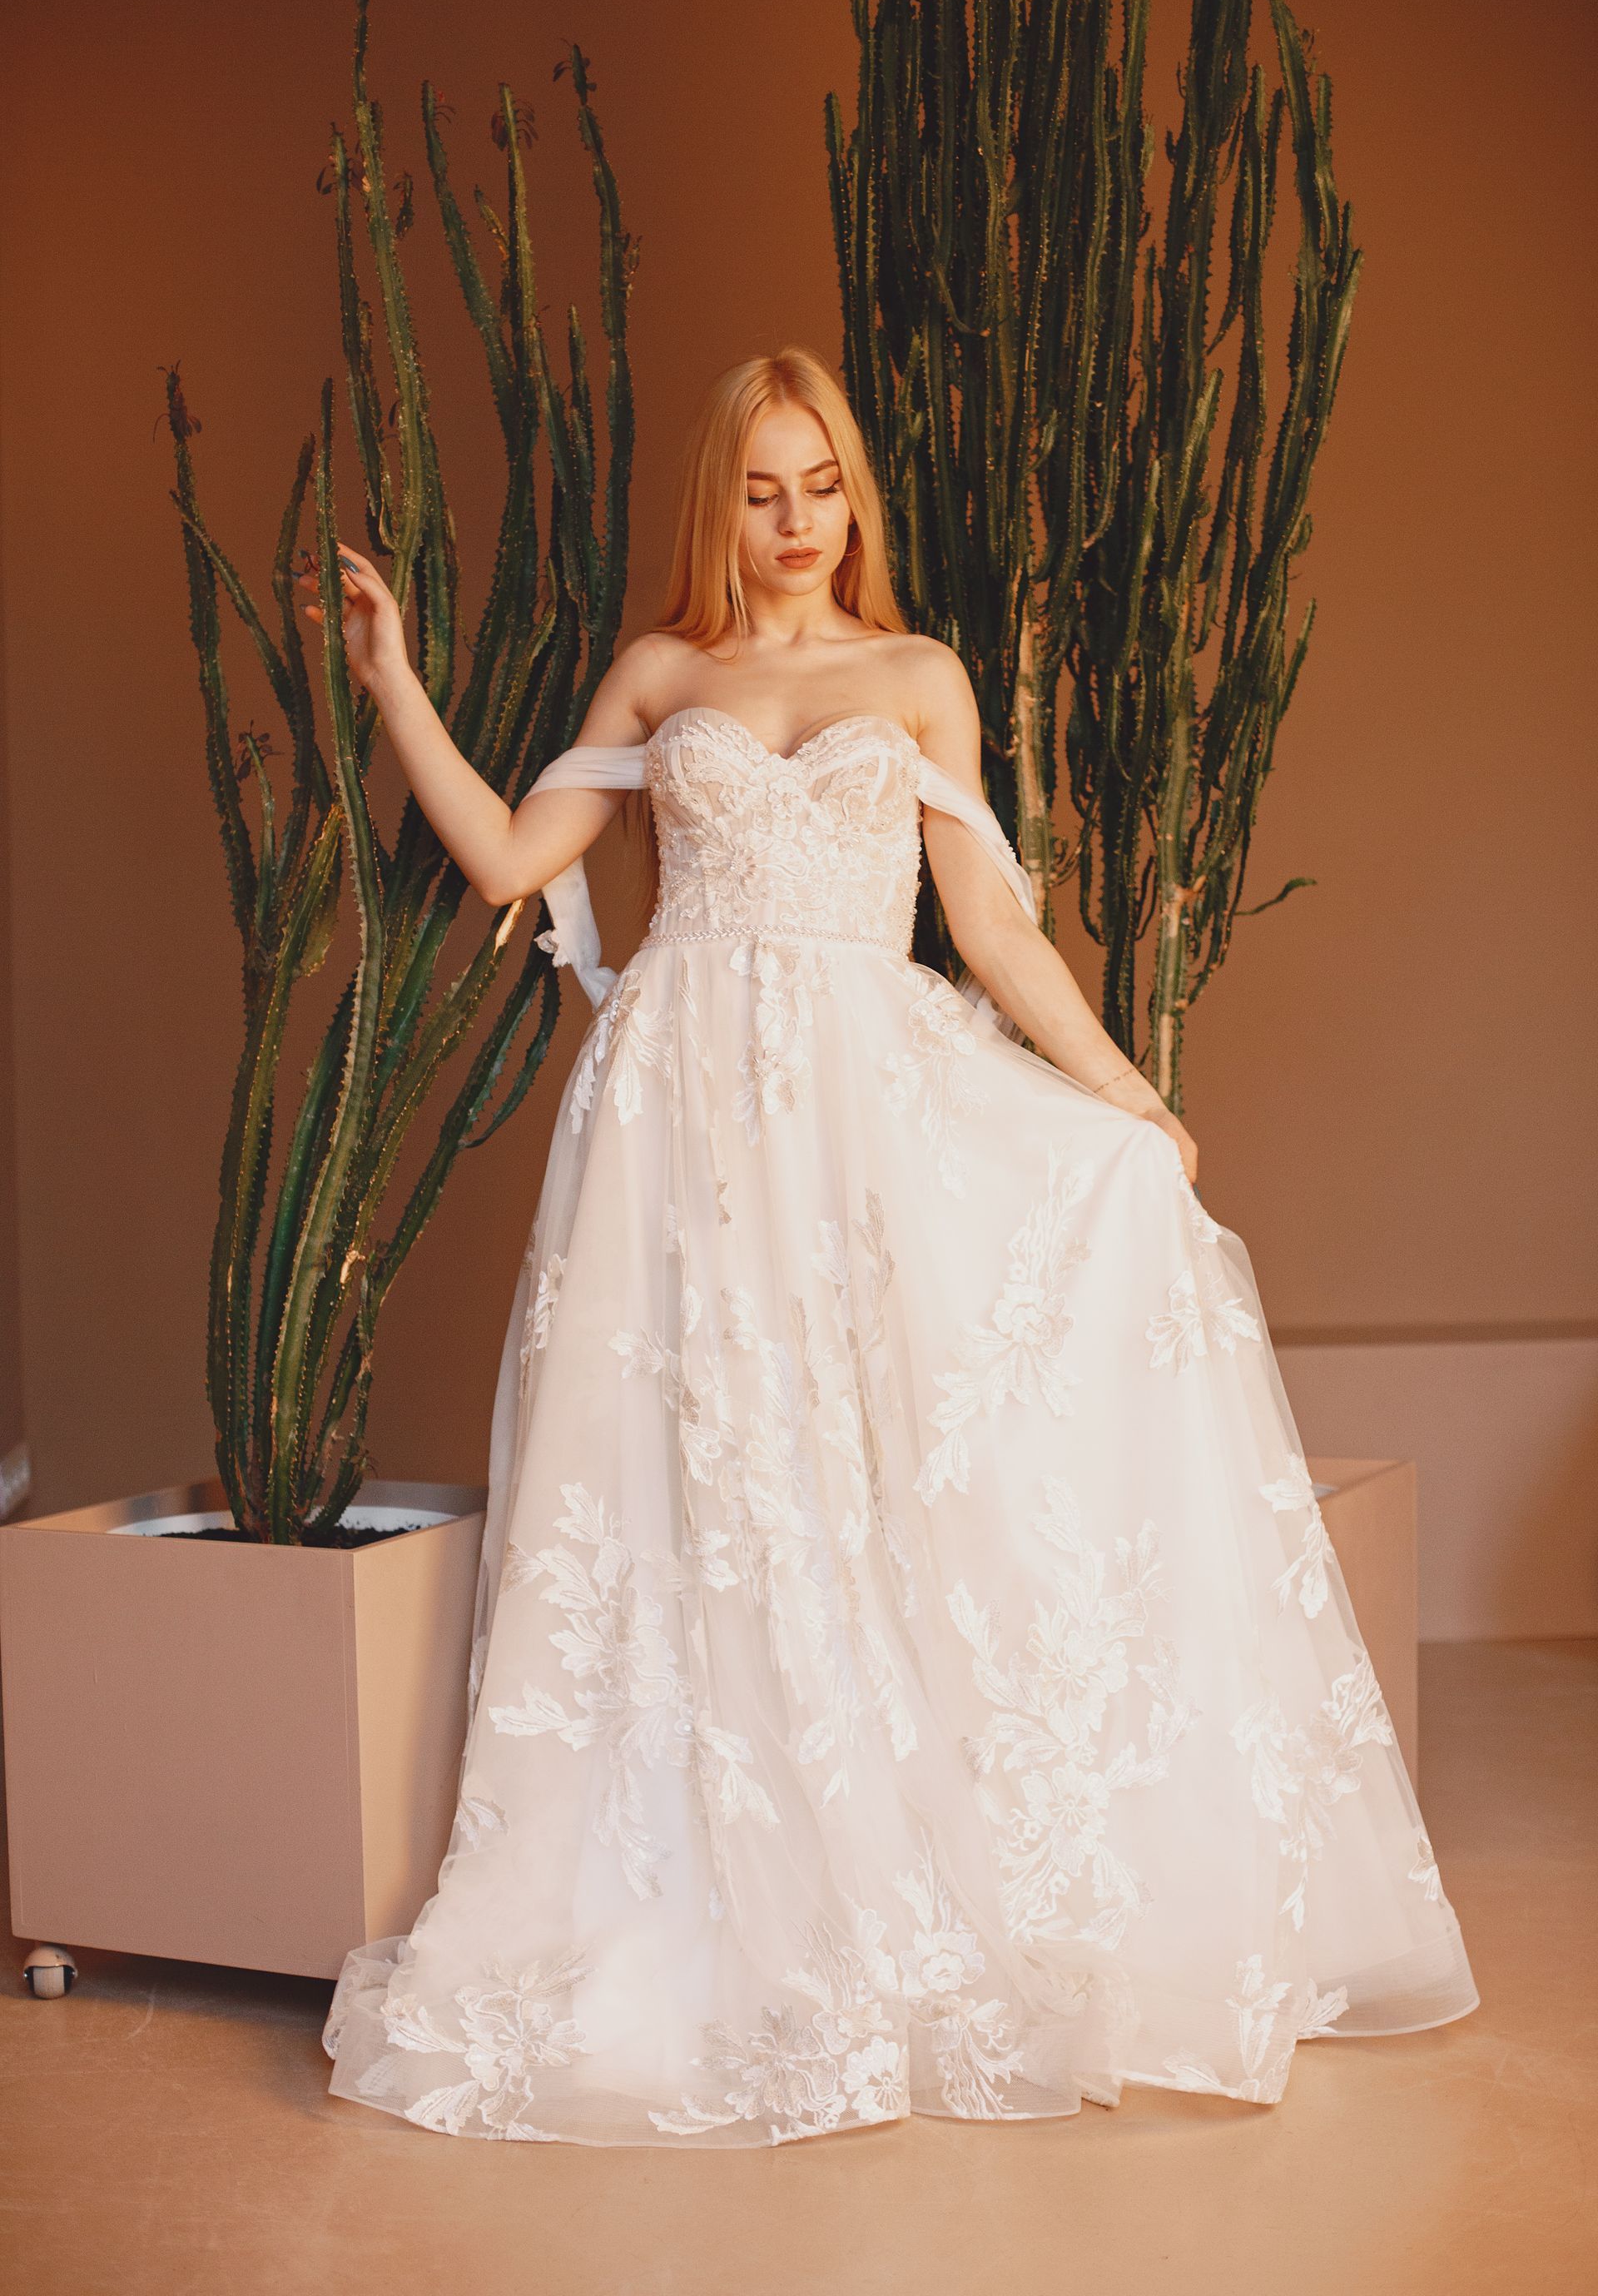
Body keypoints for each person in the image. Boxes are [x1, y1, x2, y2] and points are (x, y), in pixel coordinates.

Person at [309, 345, 1476, 2145]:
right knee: (697, 1491)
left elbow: (992, 933)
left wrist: (1128, 1097)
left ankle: (922, 1867)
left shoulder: (919, 679)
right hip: (678, 1121)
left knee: (874, 1476)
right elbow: (511, 865)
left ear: (857, 494)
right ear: (726, 499)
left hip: (865, 1108)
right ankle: (723, 1885)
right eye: (763, 490)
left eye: (823, 486)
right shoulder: (661, 672)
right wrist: (393, 686)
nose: (794, 523)